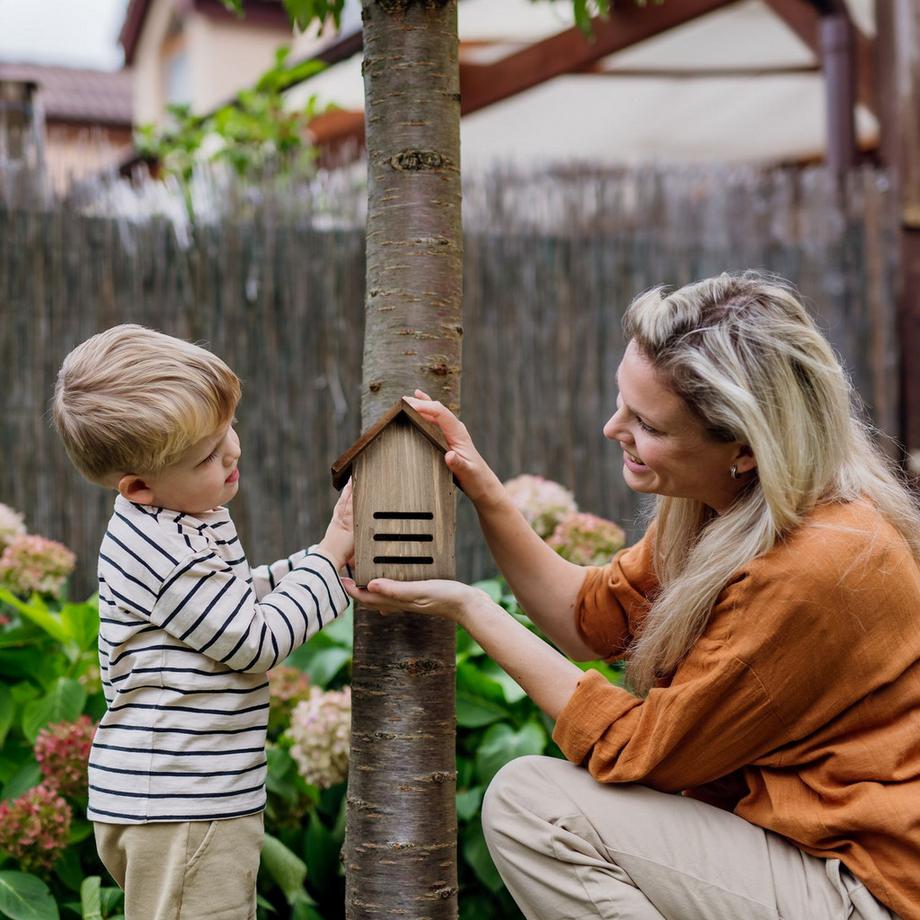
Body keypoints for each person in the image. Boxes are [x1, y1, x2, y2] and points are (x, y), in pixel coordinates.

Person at [346, 273, 920, 920]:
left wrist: (472, 609)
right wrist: (485, 492)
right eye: (622, 402)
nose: (610, 428)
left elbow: (641, 752)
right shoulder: (726, 511)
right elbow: (589, 618)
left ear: (743, 449)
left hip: (862, 890)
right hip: (800, 850)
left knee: (534, 806)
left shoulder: (816, 569)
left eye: (646, 423)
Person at [52, 324, 354, 920]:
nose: (232, 453)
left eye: (226, 432)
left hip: (176, 797)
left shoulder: (181, 515)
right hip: (181, 804)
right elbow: (254, 639)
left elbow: (230, 601)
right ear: (139, 486)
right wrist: (328, 555)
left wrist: (321, 567)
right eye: (208, 456)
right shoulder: (160, 548)